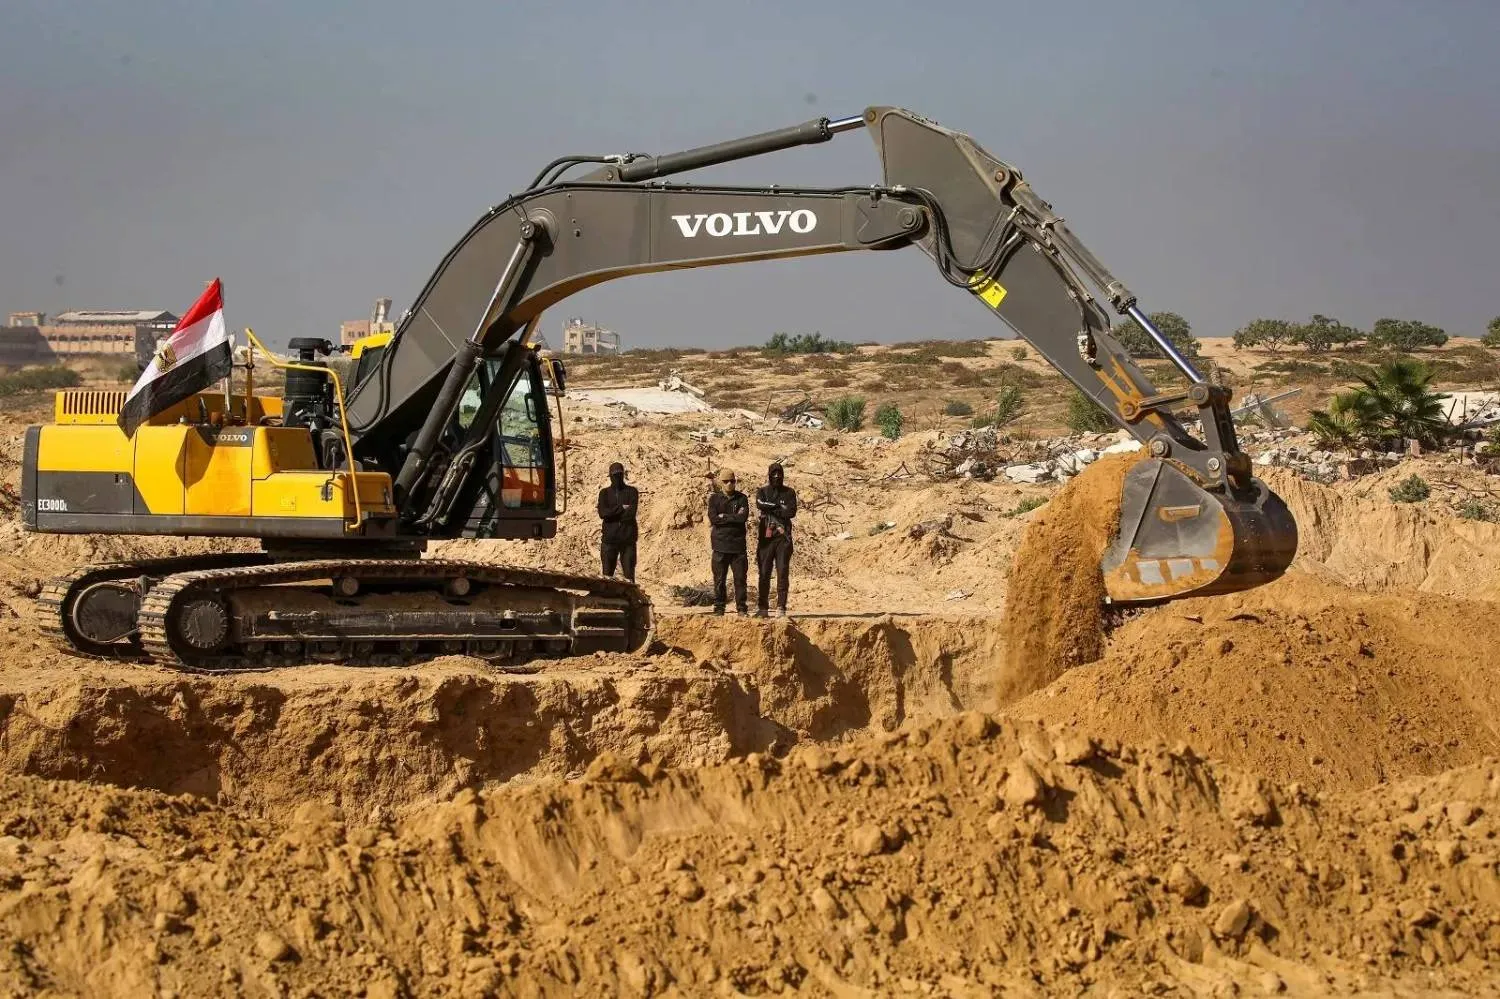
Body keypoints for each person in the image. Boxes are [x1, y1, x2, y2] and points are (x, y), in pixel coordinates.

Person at [754, 461, 797, 618]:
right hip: (766, 539)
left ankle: (781, 607)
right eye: (774, 473)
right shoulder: (762, 491)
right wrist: (779, 507)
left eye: (779, 473)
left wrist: (771, 507)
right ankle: (763, 607)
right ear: (769, 475)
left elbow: (791, 512)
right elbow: (760, 504)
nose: (777, 476)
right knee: (764, 572)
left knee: (782, 572)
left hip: (783, 539)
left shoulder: (789, 493)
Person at [707, 469, 749, 616]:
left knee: (740, 580)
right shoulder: (714, 499)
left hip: (738, 546)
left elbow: (742, 518)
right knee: (719, 579)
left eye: (732, 481)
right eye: (726, 481)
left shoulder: (742, 498)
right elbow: (713, 519)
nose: (729, 484)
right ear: (721, 482)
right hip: (720, 545)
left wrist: (723, 516)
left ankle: (742, 609)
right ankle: (719, 608)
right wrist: (732, 517)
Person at [597, 461, 638, 581]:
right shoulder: (604, 493)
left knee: (629, 578)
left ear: (623, 474)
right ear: (610, 476)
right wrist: (621, 508)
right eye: (614, 475)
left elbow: (630, 514)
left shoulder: (632, 492)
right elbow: (603, 513)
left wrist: (612, 513)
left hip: (627, 541)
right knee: (607, 577)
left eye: (619, 474)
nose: (617, 477)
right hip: (609, 541)